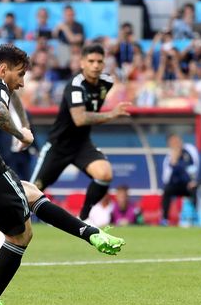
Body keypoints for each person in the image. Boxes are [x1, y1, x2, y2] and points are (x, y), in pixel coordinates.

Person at [0, 43, 124, 305]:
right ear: (3, 69)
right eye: (20, 74)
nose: (22, 83)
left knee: (30, 191)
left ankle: (90, 233)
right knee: (22, 233)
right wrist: (21, 133)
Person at [30, 44, 132, 220]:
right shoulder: (75, 85)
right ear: (83, 63)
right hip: (58, 145)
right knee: (31, 192)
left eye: (99, 61)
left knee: (104, 173)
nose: (95, 65)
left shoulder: (106, 82)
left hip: (82, 145)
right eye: (91, 61)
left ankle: (84, 216)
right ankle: (7, 224)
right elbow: (79, 119)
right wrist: (112, 114)